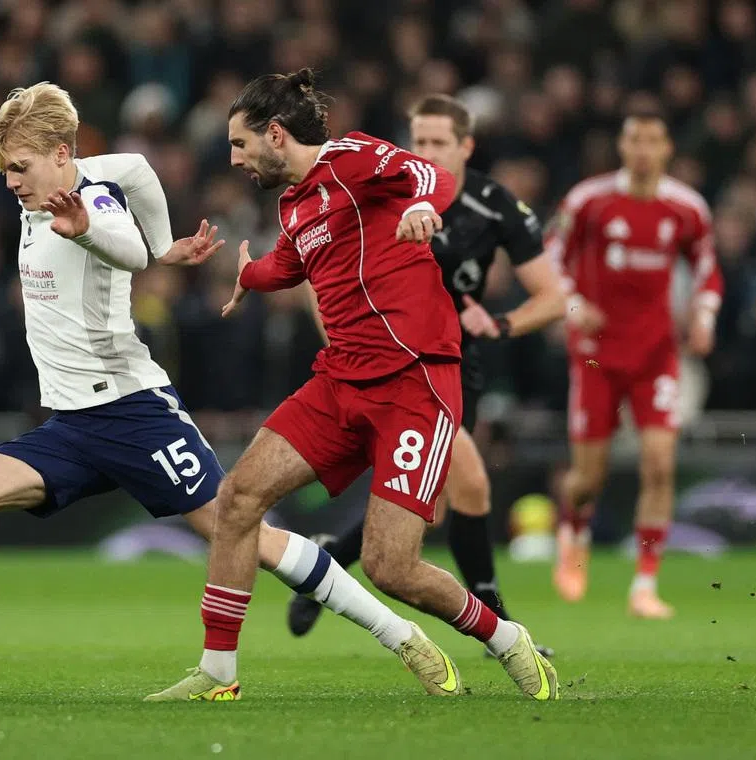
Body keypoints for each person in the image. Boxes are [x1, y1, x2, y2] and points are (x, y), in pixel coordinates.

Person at [0, 83, 484, 694]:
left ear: (58, 155)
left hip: (134, 413)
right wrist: (168, 245)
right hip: (72, 424)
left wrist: (99, 235)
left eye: (19, 167)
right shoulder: (74, 179)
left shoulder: (91, 198)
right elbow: (136, 166)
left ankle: (399, 633)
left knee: (242, 533)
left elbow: (126, 248)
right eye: (3, 171)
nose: (11, 182)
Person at [147, 70, 558, 703]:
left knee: (392, 567)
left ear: (275, 134)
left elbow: (431, 177)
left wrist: (423, 206)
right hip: (341, 380)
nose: (232, 159)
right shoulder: (293, 203)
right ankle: (217, 674)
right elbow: (289, 264)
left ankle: (504, 637)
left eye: (238, 143)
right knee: (237, 499)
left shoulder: (354, 157)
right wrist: (247, 275)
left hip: (415, 381)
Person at [286, 95, 564, 658]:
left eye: (440, 142)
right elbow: (320, 277)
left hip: (456, 364)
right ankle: (498, 623)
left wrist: (502, 323)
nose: (427, 151)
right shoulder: (380, 188)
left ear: (466, 146)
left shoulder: (494, 205)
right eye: (420, 140)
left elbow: (556, 298)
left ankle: (331, 557)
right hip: (384, 364)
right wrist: (344, 348)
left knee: (425, 510)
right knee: (469, 485)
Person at [548, 105, 722, 619]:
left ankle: (644, 584)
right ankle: (572, 530)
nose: (643, 150)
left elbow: (708, 270)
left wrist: (705, 316)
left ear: (667, 149)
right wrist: (576, 306)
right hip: (597, 358)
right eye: (634, 140)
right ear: (622, 147)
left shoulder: (686, 208)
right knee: (589, 479)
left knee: (660, 466)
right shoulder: (590, 201)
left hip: (655, 356)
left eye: (653, 141)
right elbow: (550, 259)